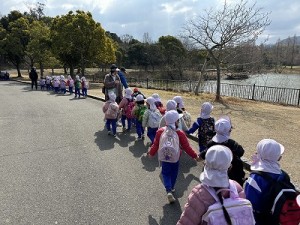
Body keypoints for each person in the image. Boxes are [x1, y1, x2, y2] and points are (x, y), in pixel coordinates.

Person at [177, 145, 246, 225]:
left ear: (205, 164)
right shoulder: (236, 187)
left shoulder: (199, 194)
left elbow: (186, 222)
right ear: (229, 167)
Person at [147, 110, 200, 203]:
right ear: (176, 121)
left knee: (165, 173)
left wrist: (151, 153)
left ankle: (168, 190)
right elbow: (187, 147)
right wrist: (195, 156)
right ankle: (171, 187)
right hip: (175, 157)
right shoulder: (180, 133)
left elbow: (155, 144)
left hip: (164, 157)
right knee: (174, 173)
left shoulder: (160, 131)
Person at [245, 139, 292, 225]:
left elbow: (249, 206)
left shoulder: (255, 179)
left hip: (259, 221)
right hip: (277, 218)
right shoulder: (284, 175)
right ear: (279, 158)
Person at [200, 116, 245, 186]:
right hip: (231, 174)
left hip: (213, 174)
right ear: (228, 131)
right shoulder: (233, 144)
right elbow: (241, 152)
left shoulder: (211, 143)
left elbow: (204, 154)